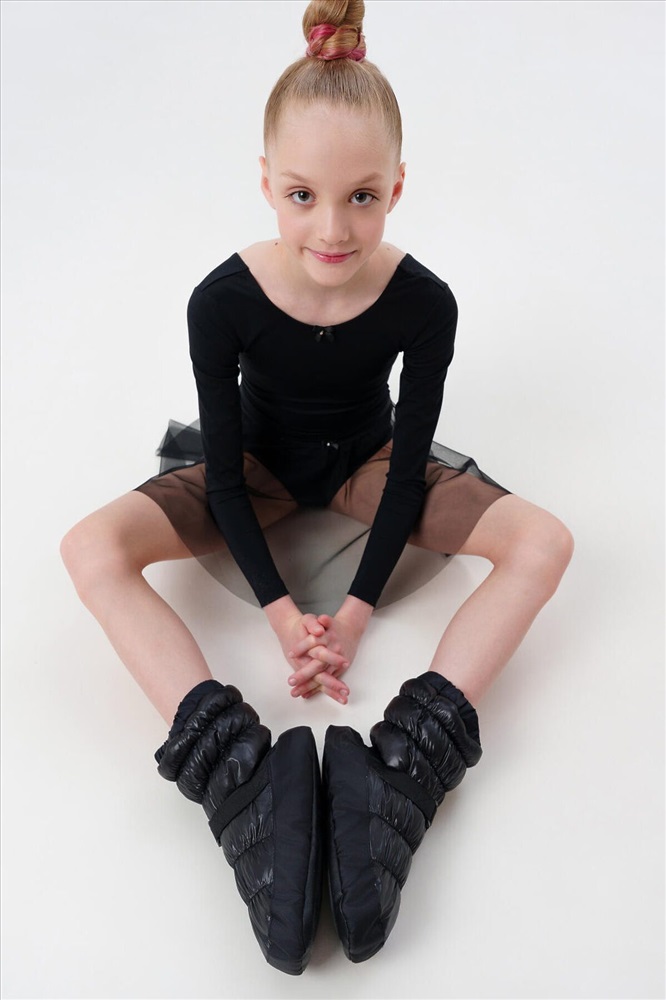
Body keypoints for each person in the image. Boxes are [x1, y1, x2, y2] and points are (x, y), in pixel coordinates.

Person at [60, 0, 573, 976]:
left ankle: (401, 775)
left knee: (546, 541)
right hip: (253, 470)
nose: (332, 229)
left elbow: (409, 454)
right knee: (88, 548)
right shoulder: (223, 300)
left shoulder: (424, 302)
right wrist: (281, 612)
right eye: (302, 195)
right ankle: (239, 780)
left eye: (362, 197)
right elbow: (221, 474)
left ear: (397, 187)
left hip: (366, 465)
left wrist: (361, 609)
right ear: (266, 183)